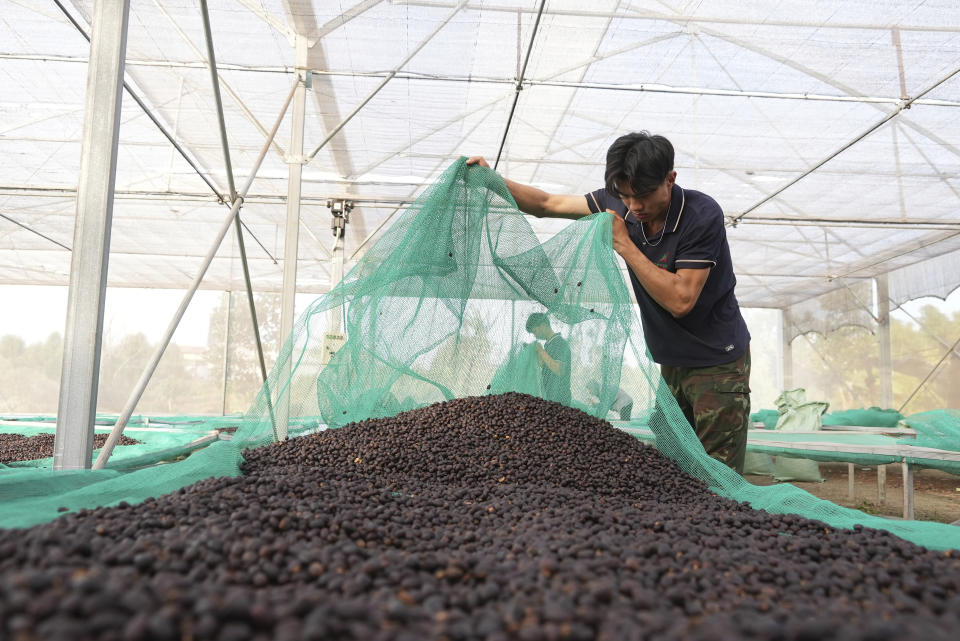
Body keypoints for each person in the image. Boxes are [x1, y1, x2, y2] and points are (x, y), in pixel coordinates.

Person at [467, 131, 751, 473]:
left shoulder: (700, 216)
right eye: (625, 196)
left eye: (643, 196)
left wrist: (625, 245)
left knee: (718, 476)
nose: (634, 207)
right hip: (671, 361)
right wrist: (492, 180)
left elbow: (681, 300)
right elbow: (546, 205)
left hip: (716, 364)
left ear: (670, 179)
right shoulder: (619, 203)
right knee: (670, 466)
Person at [525, 313, 571, 406]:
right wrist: (535, 351)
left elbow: (559, 369)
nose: (534, 335)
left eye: (535, 331)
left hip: (560, 399)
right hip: (550, 397)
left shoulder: (559, 343)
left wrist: (541, 350)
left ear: (543, 325)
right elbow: (545, 367)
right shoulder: (548, 344)